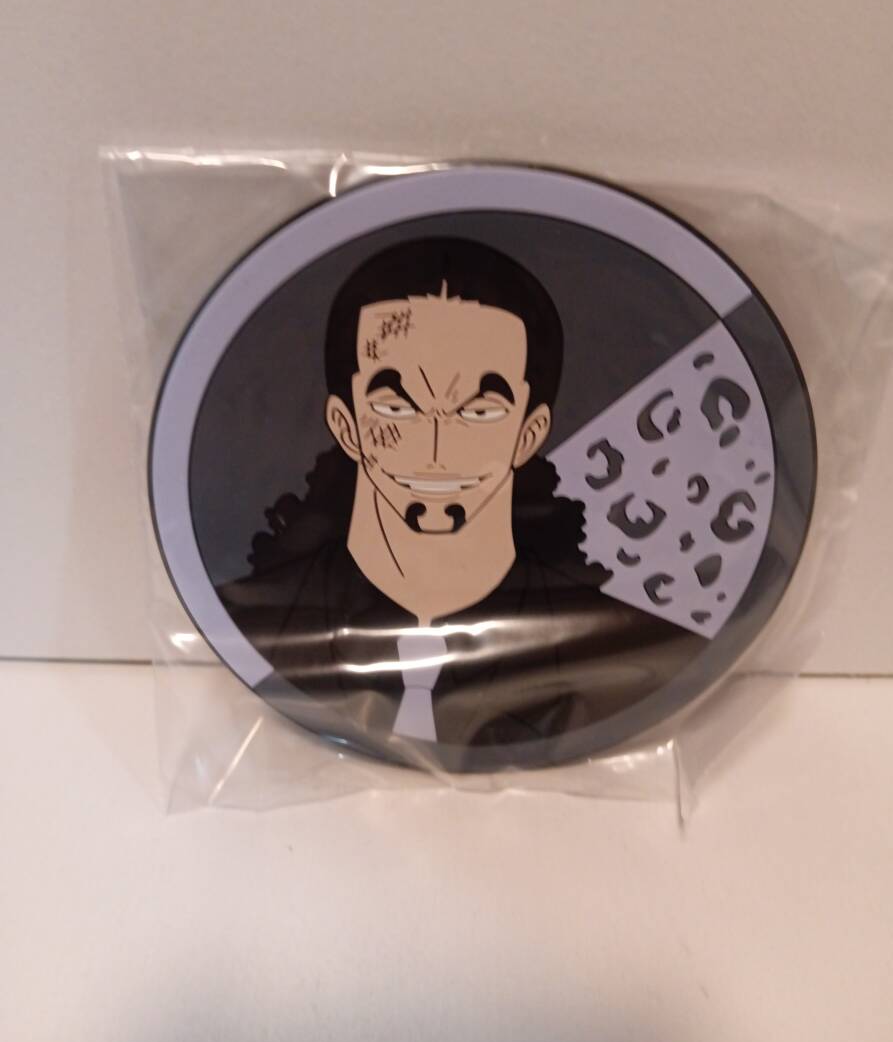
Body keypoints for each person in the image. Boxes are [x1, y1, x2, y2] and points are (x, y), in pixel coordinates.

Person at [217, 237, 705, 757]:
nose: (436, 450)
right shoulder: (247, 627)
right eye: (397, 407)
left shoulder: (634, 652)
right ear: (345, 424)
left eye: (478, 411)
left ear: (529, 433)